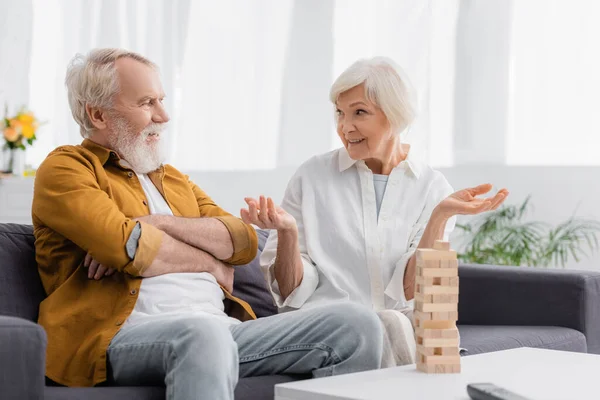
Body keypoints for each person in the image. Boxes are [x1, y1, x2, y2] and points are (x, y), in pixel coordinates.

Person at [32, 48, 384, 400]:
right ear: (98, 115)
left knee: (358, 326)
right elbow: (127, 246)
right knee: (202, 335)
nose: (163, 115)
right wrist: (210, 262)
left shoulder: (172, 180)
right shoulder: (66, 168)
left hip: (221, 329)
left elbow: (243, 240)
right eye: (146, 103)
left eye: (162, 100)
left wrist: (155, 223)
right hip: (125, 335)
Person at [241, 57, 509, 367]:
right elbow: (290, 292)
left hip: (394, 324)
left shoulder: (431, 186)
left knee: (401, 323)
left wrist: (441, 215)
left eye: (359, 113)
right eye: (340, 113)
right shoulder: (312, 176)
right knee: (391, 327)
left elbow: (412, 291)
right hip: (324, 326)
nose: (345, 127)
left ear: (395, 116)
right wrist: (287, 232)